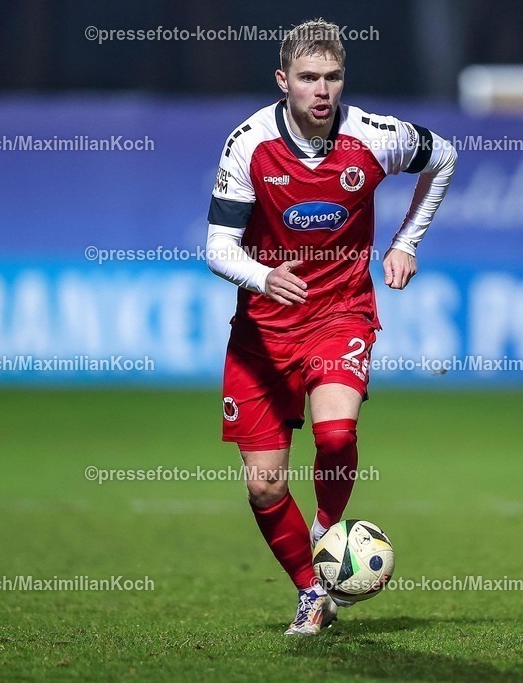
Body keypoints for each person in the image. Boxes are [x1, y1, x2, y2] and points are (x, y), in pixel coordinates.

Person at [206, 18, 457, 636]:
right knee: (265, 490)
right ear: (283, 81)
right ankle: (311, 593)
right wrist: (264, 280)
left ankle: (325, 533)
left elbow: (444, 157)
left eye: (333, 77)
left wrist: (406, 244)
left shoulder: (373, 137)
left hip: (340, 313)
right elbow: (217, 246)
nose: (322, 90)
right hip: (264, 331)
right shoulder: (249, 145)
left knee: (337, 435)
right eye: (309, 78)